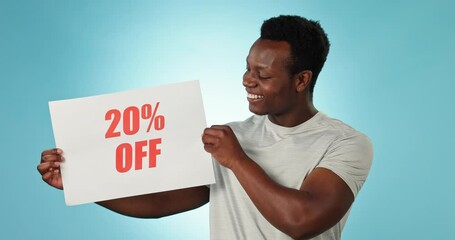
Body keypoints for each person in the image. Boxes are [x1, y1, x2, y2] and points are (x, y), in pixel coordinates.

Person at [38, 15, 373, 240]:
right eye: (247, 68)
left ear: (301, 80)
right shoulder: (232, 136)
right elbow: (161, 202)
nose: (247, 80)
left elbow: (303, 220)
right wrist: (83, 183)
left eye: (263, 75)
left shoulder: (344, 143)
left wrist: (238, 161)